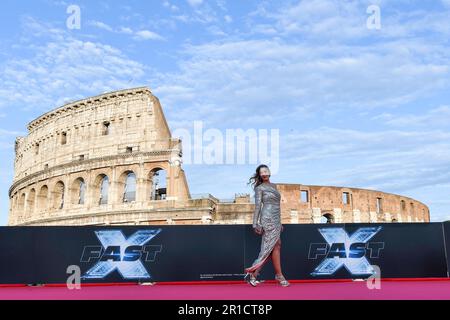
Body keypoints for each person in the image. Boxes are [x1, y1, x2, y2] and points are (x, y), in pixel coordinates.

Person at [244, 164, 290, 287]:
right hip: (267, 218)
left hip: (276, 218)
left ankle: (254, 273)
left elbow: (277, 206)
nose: (263, 173)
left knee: (273, 246)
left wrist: (279, 222)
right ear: (259, 175)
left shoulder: (275, 186)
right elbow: (258, 206)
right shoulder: (259, 188)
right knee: (273, 245)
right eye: (261, 172)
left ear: (269, 172)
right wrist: (255, 223)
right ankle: (279, 275)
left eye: (265, 171)